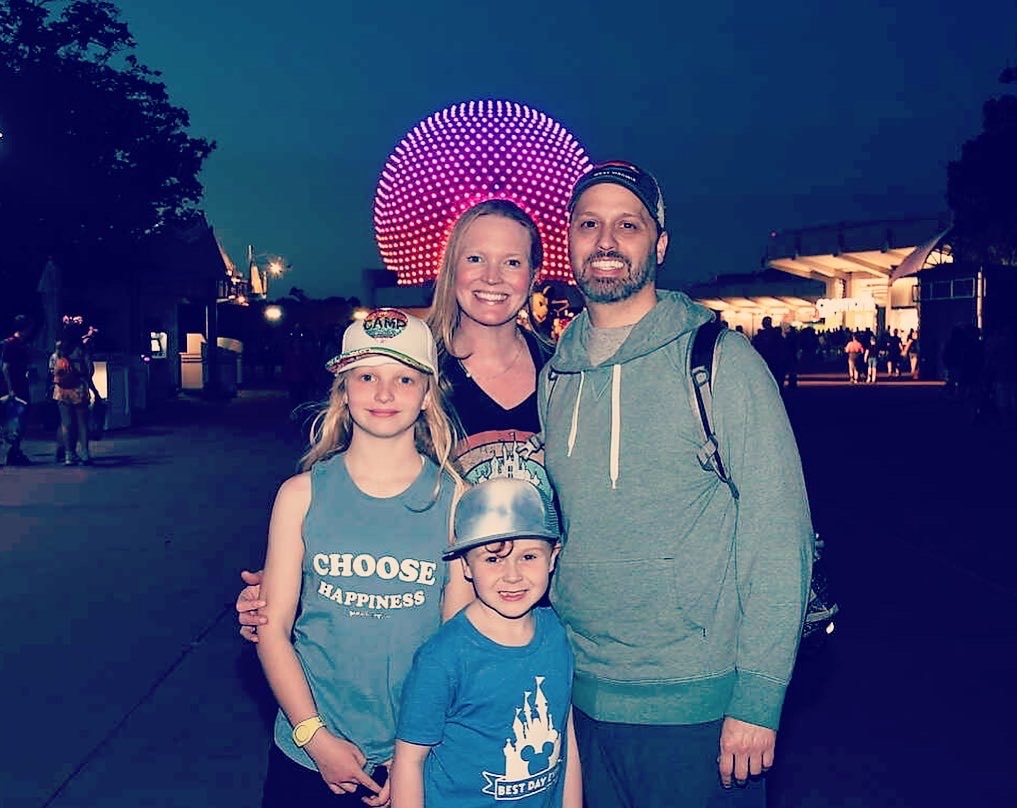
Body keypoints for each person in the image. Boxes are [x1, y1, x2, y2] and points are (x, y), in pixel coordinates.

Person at [538, 160, 813, 807]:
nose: (606, 241)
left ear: (657, 244)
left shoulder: (718, 360)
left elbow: (779, 534)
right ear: (569, 241)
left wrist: (757, 697)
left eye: (627, 225)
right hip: (579, 698)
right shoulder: (554, 377)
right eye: (589, 224)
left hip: (698, 706)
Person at [237, 199, 558, 636]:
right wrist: (282, 578)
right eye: (476, 258)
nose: (492, 277)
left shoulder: (565, 372)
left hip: (547, 617)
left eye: (512, 261)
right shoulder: (410, 374)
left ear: (534, 275)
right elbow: (344, 487)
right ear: (450, 269)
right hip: (430, 622)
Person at [255, 307, 470, 808]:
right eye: (367, 375)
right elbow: (272, 628)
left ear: (426, 395)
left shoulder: (457, 499)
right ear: (344, 390)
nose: (384, 392)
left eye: (404, 378)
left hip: (413, 752)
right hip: (306, 752)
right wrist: (315, 736)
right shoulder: (300, 495)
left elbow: (456, 642)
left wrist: (417, 749)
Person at [390, 477, 581, 807]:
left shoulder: (560, 635)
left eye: (529, 557)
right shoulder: (442, 658)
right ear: (465, 564)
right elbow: (409, 761)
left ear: (553, 557)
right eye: (492, 559)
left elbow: (567, 737)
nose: (512, 575)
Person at [52, 322, 98, 466]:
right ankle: (84, 453)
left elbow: (52, 369)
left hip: (62, 390)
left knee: (66, 423)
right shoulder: (81, 350)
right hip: (78, 389)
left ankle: (68, 454)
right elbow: (89, 370)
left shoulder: (59, 351)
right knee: (82, 423)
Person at [1, 314, 33, 466]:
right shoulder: (10, 344)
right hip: (13, 387)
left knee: (21, 419)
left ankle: (15, 450)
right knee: (13, 419)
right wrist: (10, 388)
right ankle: (12, 451)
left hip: (22, 384)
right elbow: (5, 367)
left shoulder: (22, 344)